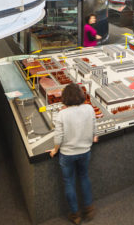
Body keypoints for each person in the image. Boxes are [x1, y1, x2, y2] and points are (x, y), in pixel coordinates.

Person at [48, 83, 98, 225]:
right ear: (81, 95)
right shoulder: (89, 109)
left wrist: (55, 150)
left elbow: (58, 137)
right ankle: (89, 209)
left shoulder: (62, 114)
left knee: (69, 182)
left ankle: (75, 215)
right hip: (85, 151)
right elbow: (94, 126)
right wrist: (94, 136)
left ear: (65, 98)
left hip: (67, 155)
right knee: (84, 177)